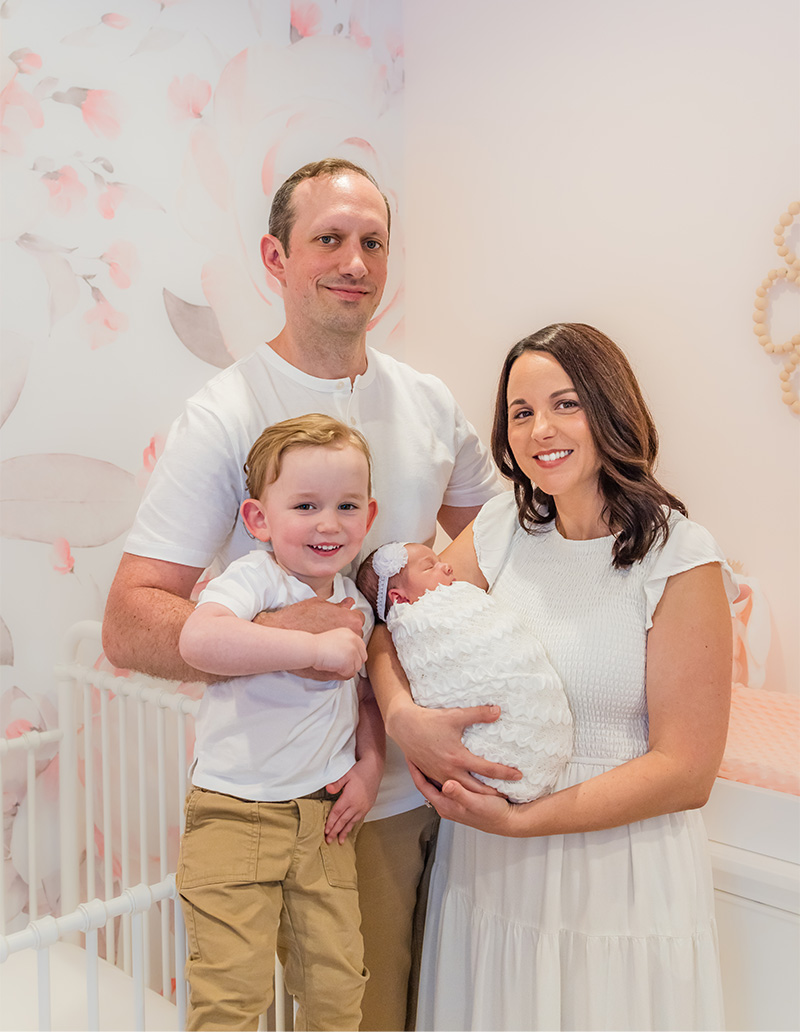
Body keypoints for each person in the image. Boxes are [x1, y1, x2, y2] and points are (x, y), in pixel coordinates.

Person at [102, 158, 507, 1032]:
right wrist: (285, 631)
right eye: (328, 238)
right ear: (275, 258)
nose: (353, 261)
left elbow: (502, 539)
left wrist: (409, 583)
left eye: (372, 243)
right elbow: (130, 621)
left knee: (371, 1013)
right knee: (235, 1011)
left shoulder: (429, 403)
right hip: (269, 797)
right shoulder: (221, 412)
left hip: (400, 788)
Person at [369, 323, 736, 1032]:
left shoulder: (679, 557)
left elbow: (687, 769)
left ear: (610, 410)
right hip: (491, 872)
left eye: (565, 404)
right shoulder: (506, 527)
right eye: (521, 412)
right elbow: (396, 625)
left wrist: (523, 823)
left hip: (615, 871)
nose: (541, 429)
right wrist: (400, 716)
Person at [177, 415, 380, 1031]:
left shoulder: (358, 605)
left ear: (369, 517)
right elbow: (200, 641)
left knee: (337, 991)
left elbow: (365, 699)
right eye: (305, 505)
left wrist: (370, 766)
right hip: (234, 811)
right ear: (258, 520)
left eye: (346, 505)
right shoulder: (256, 579)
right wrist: (311, 649)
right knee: (232, 997)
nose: (328, 522)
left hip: (323, 820)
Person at [357, 542, 573, 802]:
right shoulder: (415, 622)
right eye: (431, 566)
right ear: (400, 599)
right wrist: (398, 713)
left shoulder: (458, 595)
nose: (447, 566)